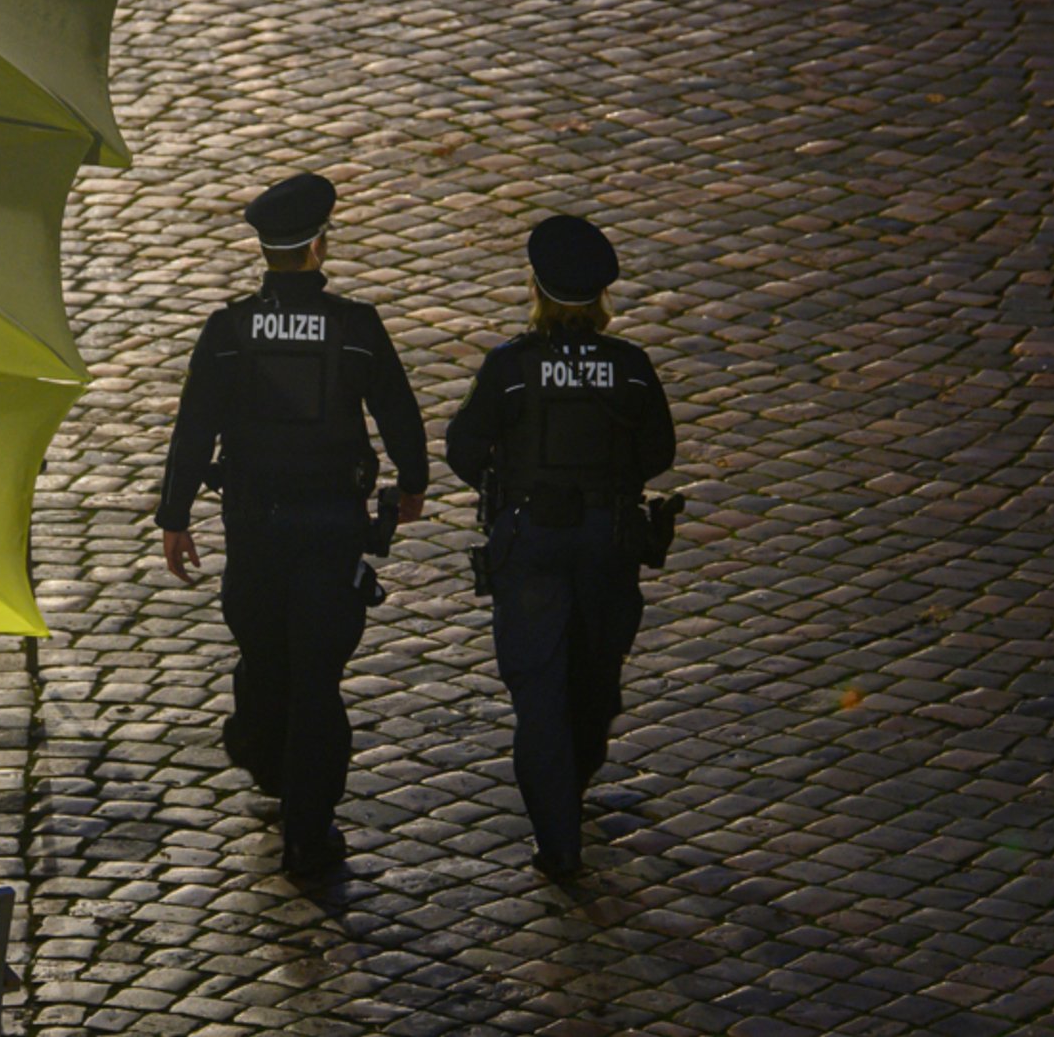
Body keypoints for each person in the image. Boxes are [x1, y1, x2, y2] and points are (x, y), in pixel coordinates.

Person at [157, 172, 428, 878]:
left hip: (255, 529)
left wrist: (175, 514)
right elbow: (399, 414)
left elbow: (194, 428)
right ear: (318, 244)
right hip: (333, 529)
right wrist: (413, 483)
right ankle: (310, 824)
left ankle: (269, 764)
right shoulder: (356, 327)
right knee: (317, 676)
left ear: (267, 250)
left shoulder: (228, 330)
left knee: (269, 655)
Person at [444, 214, 675, 883]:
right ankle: (573, 782)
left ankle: (558, 841)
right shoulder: (630, 368)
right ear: (601, 297)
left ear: (536, 289)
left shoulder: (511, 368)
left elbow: (462, 448)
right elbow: (659, 452)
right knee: (596, 681)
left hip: (532, 545)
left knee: (539, 693)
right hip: (608, 543)